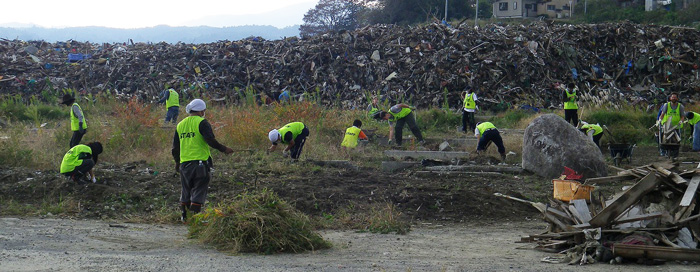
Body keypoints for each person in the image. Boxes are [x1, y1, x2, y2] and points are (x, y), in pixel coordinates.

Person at [172, 99, 234, 222]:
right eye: (204, 110)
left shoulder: (180, 125)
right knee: (200, 188)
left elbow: (175, 148)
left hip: (185, 164)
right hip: (200, 163)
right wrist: (224, 149)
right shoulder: (202, 123)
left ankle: (184, 216)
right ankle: (195, 218)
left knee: (186, 189)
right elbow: (210, 140)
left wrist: (177, 162)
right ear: (201, 110)